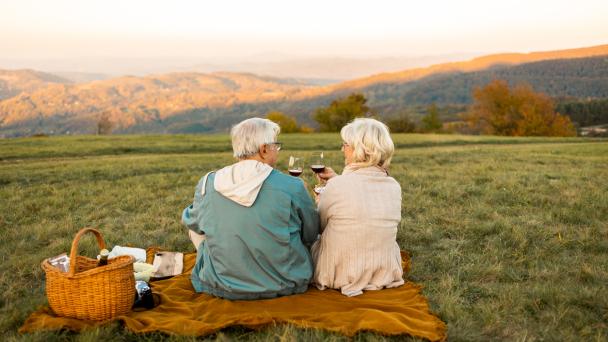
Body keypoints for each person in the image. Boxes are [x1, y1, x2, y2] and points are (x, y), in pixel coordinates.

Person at [182, 117, 319, 300]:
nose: (277, 151)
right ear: (264, 149)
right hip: (284, 283)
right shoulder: (292, 185)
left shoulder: (208, 183)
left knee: (197, 228)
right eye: (275, 146)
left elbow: (192, 222)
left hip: (220, 284)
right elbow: (310, 234)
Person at [312, 118, 404, 297]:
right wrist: (335, 180)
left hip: (338, 272)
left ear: (360, 148)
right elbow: (364, 198)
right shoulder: (393, 185)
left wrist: (321, 200)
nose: (342, 149)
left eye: (345, 144)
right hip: (382, 270)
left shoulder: (338, 185)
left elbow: (319, 227)